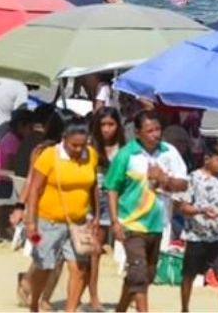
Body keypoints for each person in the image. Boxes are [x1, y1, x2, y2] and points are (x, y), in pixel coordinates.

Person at [105, 110, 189, 313]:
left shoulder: (169, 152)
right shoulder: (127, 155)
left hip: (159, 223)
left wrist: (164, 180)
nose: (155, 134)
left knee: (146, 274)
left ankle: (121, 309)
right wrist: (115, 221)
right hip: (131, 223)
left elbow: (184, 184)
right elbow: (112, 188)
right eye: (149, 130)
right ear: (138, 133)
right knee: (139, 271)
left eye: (158, 129)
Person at [24, 116, 99, 313]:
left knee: (78, 269)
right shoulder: (49, 155)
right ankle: (34, 303)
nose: (78, 150)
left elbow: (93, 188)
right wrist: (31, 222)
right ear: (64, 138)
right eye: (74, 145)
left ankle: (70, 310)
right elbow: (34, 189)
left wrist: (96, 215)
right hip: (47, 222)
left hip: (79, 223)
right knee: (44, 266)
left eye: (81, 146)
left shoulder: (91, 155)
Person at [175, 142, 218, 313]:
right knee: (189, 275)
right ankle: (185, 308)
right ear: (207, 159)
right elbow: (183, 206)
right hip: (196, 237)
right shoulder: (193, 178)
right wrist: (201, 210)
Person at [86, 107, 127, 311]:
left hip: (120, 199)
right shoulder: (91, 147)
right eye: (103, 125)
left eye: (111, 124)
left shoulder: (125, 148)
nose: (107, 129)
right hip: (96, 199)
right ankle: (93, 296)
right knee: (94, 251)